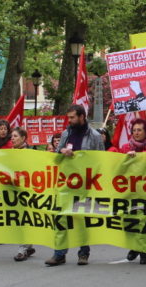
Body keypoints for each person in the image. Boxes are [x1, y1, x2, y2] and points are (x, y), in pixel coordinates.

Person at [46, 105, 104, 266]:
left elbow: (101, 160)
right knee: (61, 219)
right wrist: (62, 151)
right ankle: (59, 254)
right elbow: (56, 158)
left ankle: (83, 253)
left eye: (72, 117)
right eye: (68, 117)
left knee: (82, 220)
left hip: (85, 185)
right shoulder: (66, 133)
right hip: (66, 185)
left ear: (82, 116)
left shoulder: (95, 136)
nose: (69, 120)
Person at [120, 118, 146, 265]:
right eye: (134, 130)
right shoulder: (125, 148)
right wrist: (127, 160)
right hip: (130, 191)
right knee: (129, 221)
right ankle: (135, 247)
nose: (136, 133)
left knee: (145, 222)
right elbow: (119, 169)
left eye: (139, 130)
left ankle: (145, 250)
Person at [9, 128, 38, 261]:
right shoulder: (9, 153)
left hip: (27, 191)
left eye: (15, 136)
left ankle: (23, 249)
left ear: (23, 138)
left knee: (25, 218)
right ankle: (28, 246)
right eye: (12, 136)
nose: (12, 138)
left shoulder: (31, 153)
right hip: (13, 190)